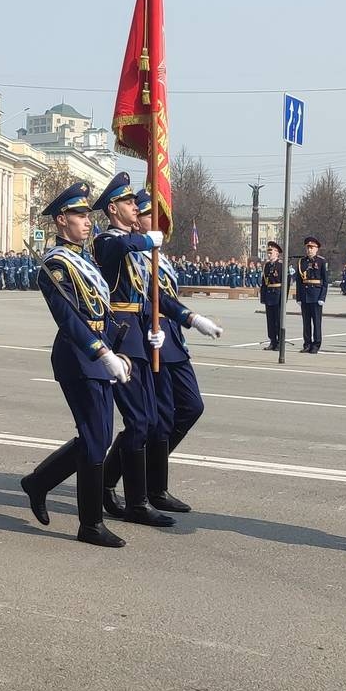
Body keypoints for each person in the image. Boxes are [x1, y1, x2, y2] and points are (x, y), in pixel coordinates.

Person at [19, 181, 132, 548]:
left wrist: (119, 349)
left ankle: (38, 482)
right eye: (80, 215)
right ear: (61, 219)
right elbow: (69, 320)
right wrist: (102, 353)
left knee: (94, 437)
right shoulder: (55, 265)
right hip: (77, 356)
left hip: (100, 356)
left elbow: (102, 310)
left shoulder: (84, 260)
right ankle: (90, 524)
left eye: (88, 214)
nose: (88, 221)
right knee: (96, 438)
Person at [103, 189, 221, 515]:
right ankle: (128, 487)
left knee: (165, 418)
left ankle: (151, 484)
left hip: (161, 337)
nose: (156, 222)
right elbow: (142, 296)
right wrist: (151, 323)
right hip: (134, 339)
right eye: (145, 213)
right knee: (147, 422)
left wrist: (192, 318)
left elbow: (159, 296)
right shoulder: (120, 246)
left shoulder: (151, 253)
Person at [90, 172, 175, 527]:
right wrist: (145, 240)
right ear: (113, 209)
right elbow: (121, 248)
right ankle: (135, 501)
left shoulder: (132, 241)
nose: (135, 209)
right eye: (128, 203)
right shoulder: (106, 242)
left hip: (139, 335)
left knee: (150, 420)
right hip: (121, 339)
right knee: (139, 421)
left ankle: (108, 486)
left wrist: (157, 328)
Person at [295, 236, 328, 353]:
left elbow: (325, 281)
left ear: (317, 249)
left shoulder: (321, 261)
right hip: (305, 295)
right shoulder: (301, 262)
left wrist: (322, 297)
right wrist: (298, 297)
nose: (309, 250)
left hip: (316, 295)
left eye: (312, 247)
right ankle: (307, 344)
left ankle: (316, 344)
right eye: (308, 247)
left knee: (316, 322)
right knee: (306, 322)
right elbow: (299, 281)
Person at [259, 240, 285, 352]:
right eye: (268, 252)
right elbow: (264, 282)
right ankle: (272, 341)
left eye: (271, 252)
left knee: (278, 320)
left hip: (278, 294)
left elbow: (286, 283)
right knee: (270, 320)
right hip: (269, 295)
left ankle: (279, 342)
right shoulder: (267, 266)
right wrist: (263, 297)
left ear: (277, 253)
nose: (269, 254)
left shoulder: (281, 266)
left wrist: (284, 298)